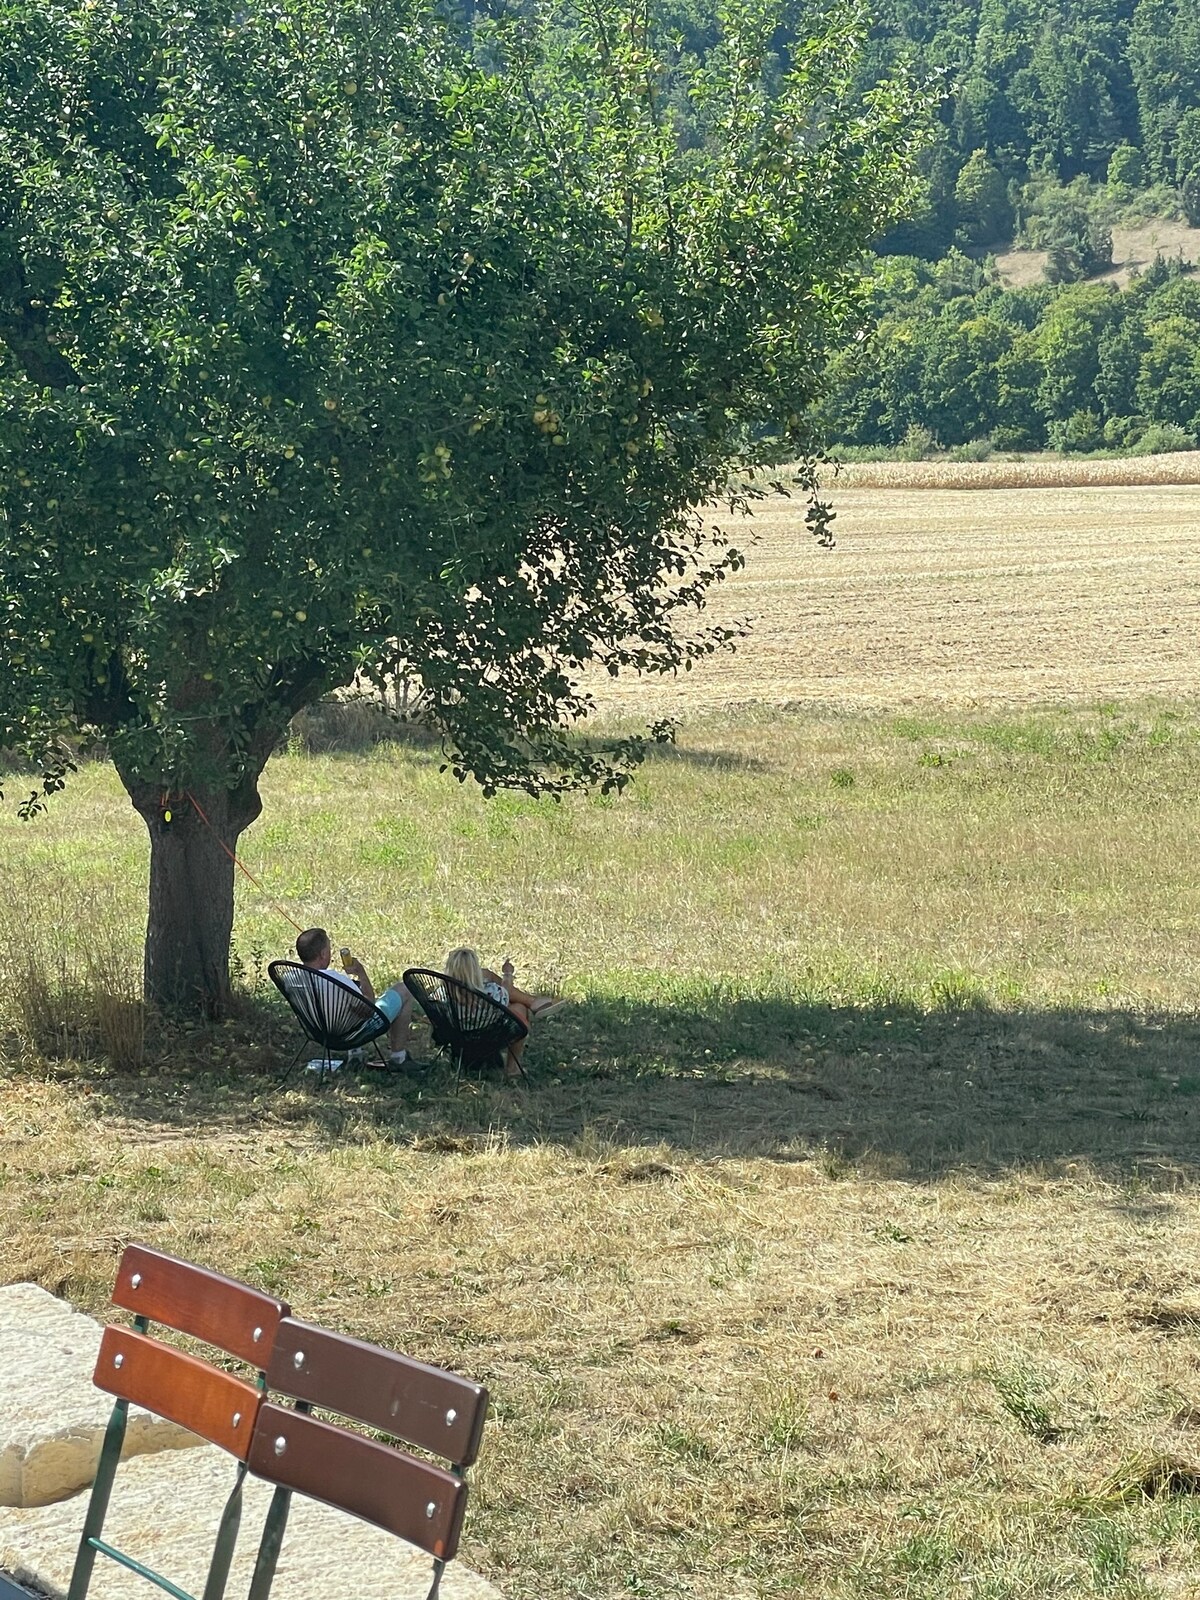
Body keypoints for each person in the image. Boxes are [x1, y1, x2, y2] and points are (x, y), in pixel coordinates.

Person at [295, 927, 413, 1068]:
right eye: (329, 949)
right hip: (352, 1035)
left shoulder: (290, 979)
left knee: (348, 1004)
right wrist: (361, 973)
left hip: (320, 1032)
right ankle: (398, 1057)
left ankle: (355, 1055)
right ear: (322, 954)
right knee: (404, 989)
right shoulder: (335, 980)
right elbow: (369, 1008)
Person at [443, 946, 566, 1080]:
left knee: (517, 1005)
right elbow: (507, 992)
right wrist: (507, 974)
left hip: (456, 1035)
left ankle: (535, 1003)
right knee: (519, 1008)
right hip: (488, 1035)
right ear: (475, 972)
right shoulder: (489, 993)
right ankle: (512, 1067)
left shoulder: (443, 994)